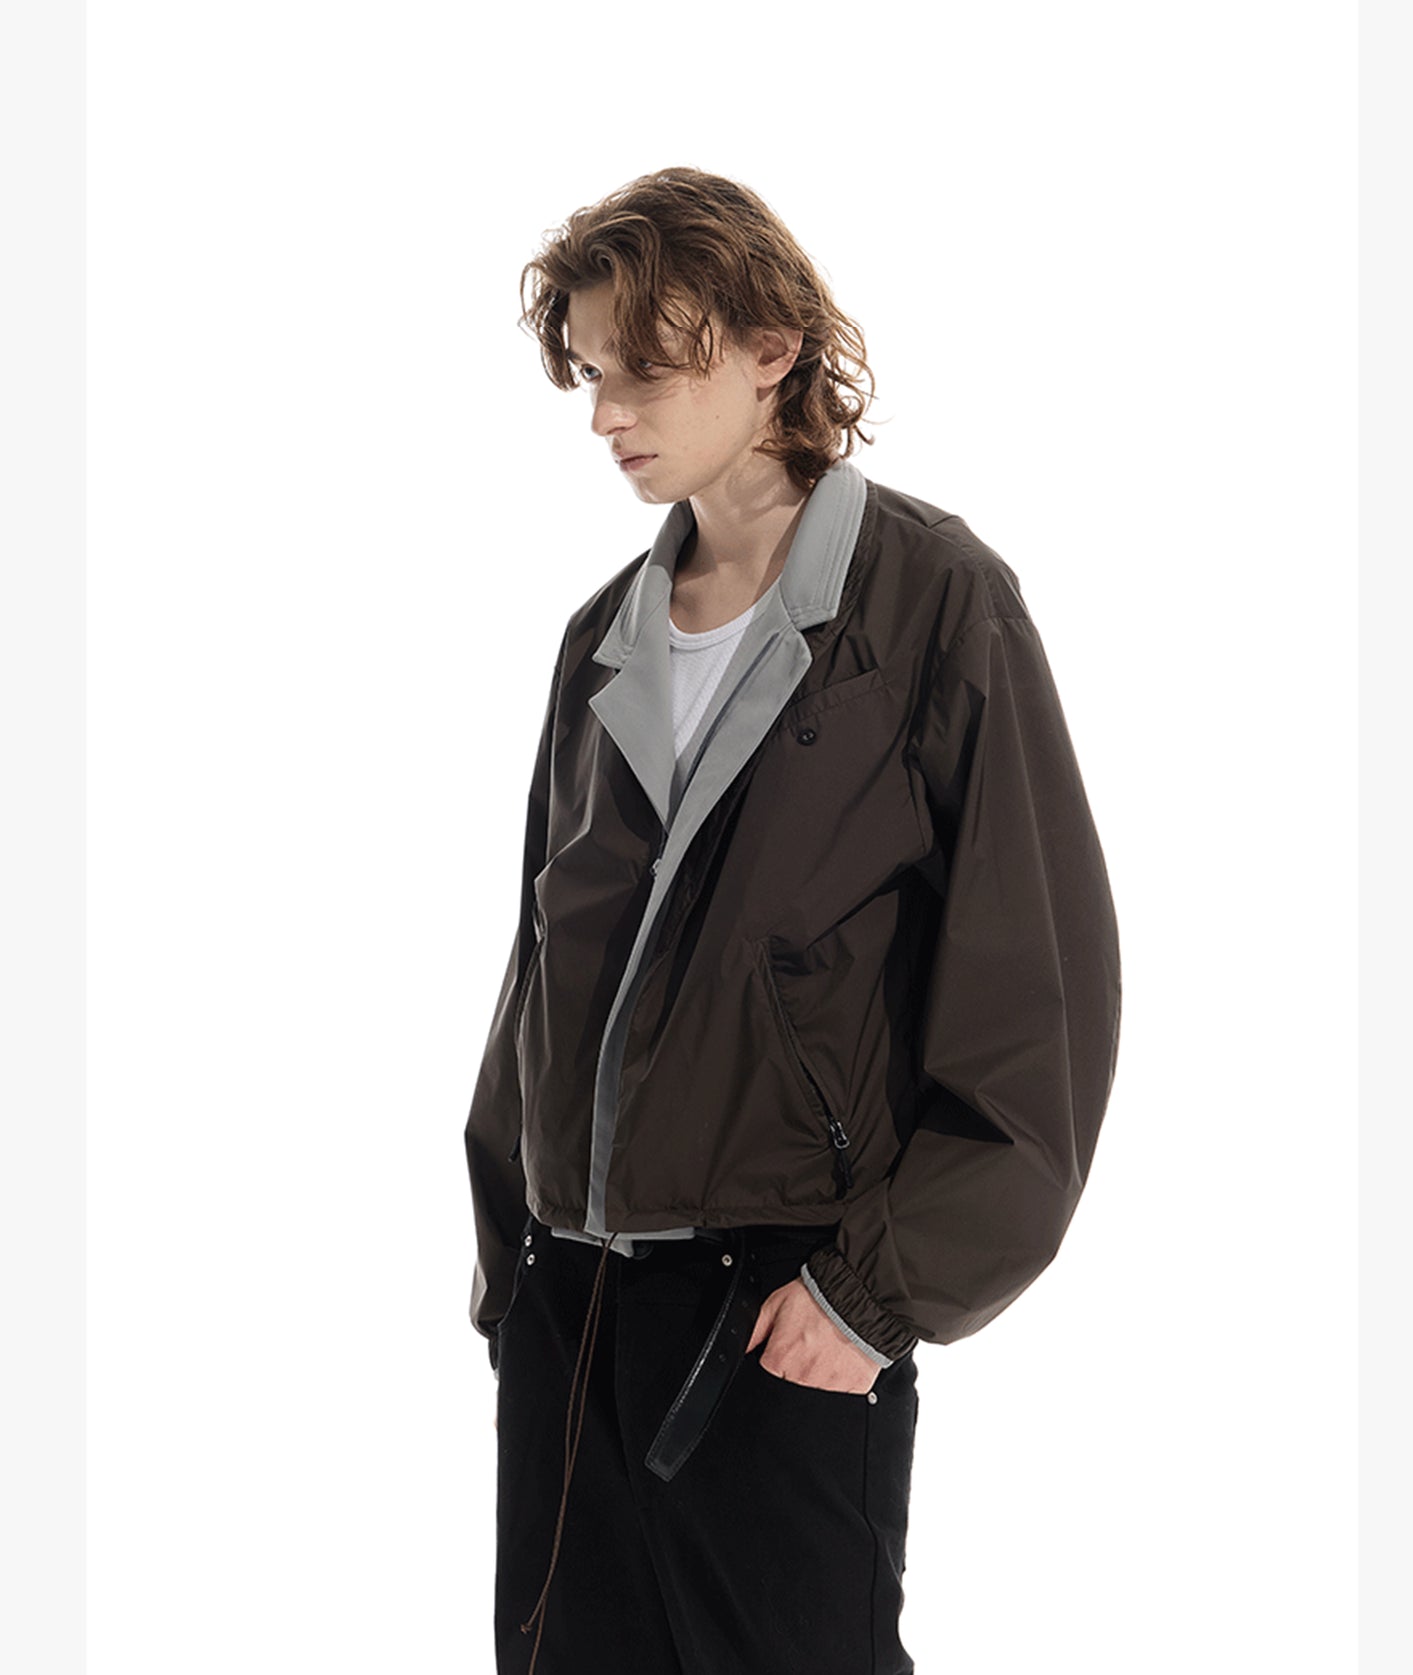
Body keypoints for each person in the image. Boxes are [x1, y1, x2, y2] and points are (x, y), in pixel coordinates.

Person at [464, 165, 1122, 1675]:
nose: (604, 412)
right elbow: (543, 965)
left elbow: (1037, 999)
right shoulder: (602, 638)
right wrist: (512, 1257)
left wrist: (875, 1296)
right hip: (571, 1306)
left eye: (644, 367)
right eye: (588, 372)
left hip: (779, 1310)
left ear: (772, 348)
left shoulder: (935, 606)